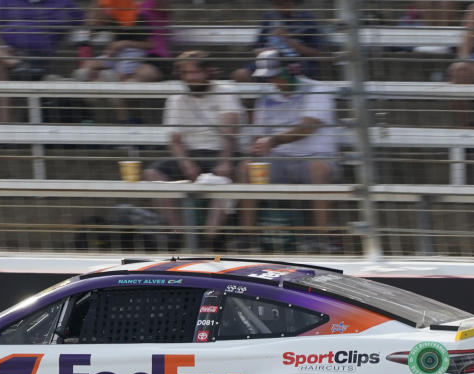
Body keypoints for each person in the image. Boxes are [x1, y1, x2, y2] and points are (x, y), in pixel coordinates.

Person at [237, 49, 338, 252]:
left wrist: (273, 141)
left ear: (291, 70)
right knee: (248, 168)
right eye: (268, 77)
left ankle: (322, 239)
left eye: (275, 76)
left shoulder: (318, 90)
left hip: (314, 159)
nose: (272, 81)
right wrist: (257, 145)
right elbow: (259, 132)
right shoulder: (266, 95)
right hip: (278, 160)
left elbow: (308, 127)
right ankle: (247, 237)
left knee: (319, 169)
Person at [143, 50, 243, 249]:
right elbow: (175, 139)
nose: (191, 78)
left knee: (224, 179)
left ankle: (210, 238)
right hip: (191, 153)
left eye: (195, 73)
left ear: (208, 72)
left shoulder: (226, 91)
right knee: (152, 174)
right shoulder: (176, 99)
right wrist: (185, 162)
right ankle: (180, 233)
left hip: (220, 150)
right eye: (186, 73)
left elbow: (230, 131)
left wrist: (225, 161)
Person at [0, 0, 83, 122]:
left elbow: (85, 24)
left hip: (36, 57)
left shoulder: (64, 3)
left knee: (0, 66)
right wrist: (2, 48)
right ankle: (16, 64)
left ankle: (3, 130)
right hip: (4, 52)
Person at [231, 0, 327, 82]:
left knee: (282, 78)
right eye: (277, 4)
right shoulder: (268, 17)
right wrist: (264, 51)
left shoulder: (307, 19)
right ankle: (256, 101)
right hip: (269, 61)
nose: (280, 8)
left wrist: (288, 40)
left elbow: (316, 53)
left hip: (296, 63)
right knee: (240, 75)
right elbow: (257, 48)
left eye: (284, 3)